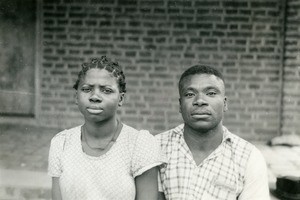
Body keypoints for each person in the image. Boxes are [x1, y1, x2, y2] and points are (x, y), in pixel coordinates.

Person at [48, 56, 164, 200]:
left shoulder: (139, 144)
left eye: (106, 90)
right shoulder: (62, 143)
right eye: (86, 89)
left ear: (121, 99)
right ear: (76, 97)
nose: (95, 96)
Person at [156, 65, 270, 200]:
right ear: (180, 105)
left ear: (225, 103)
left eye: (211, 93)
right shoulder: (157, 147)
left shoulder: (249, 158)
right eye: (190, 94)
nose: (200, 101)